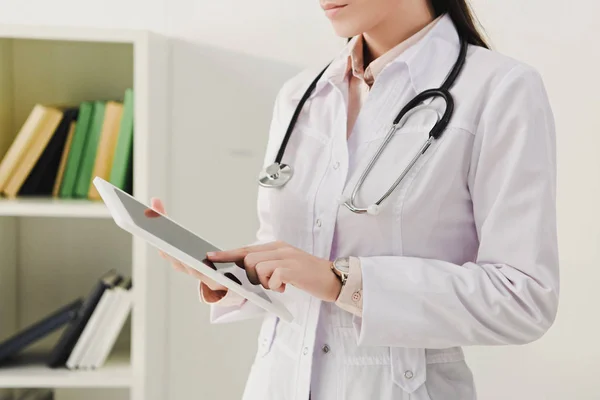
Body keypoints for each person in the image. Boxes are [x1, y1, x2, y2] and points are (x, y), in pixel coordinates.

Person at [152, 0, 560, 399]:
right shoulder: (300, 96)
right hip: (275, 381)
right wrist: (237, 276)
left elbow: (522, 298)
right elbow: (292, 261)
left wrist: (345, 283)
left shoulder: (501, 89)